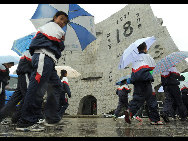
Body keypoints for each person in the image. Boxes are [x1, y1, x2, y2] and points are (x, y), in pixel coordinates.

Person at [16, 11, 69, 132]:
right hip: (43, 57)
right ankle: (26, 121)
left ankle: (51, 117)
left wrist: (60, 40)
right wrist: (61, 40)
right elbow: (58, 44)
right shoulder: (51, 26)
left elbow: (56, 45)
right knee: (37, 88)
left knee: (56, 86)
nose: (62, 23)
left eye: (65, 22)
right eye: (61, 19)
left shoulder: (55, 29)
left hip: (50, 60)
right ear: (55, 18)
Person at [127, 42, 163, 125]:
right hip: (146, 81)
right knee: (151, 99)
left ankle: (130, 111)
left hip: (136, 82)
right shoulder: (147, 56)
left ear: (138, 49)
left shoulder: (135, 59)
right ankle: (155, 119)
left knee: (137, 99)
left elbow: (133, 70)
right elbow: (153, 67)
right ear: (145, 48)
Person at [0, 50, 36, 125]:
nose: (10, 66)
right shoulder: (31, 53)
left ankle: (12, 117)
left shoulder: (6, 70)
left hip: (20, 75)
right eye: (10, 65)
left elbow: (6, 78)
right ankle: (21, 118)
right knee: (28, 97)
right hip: (24, 74)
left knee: (14, 99)